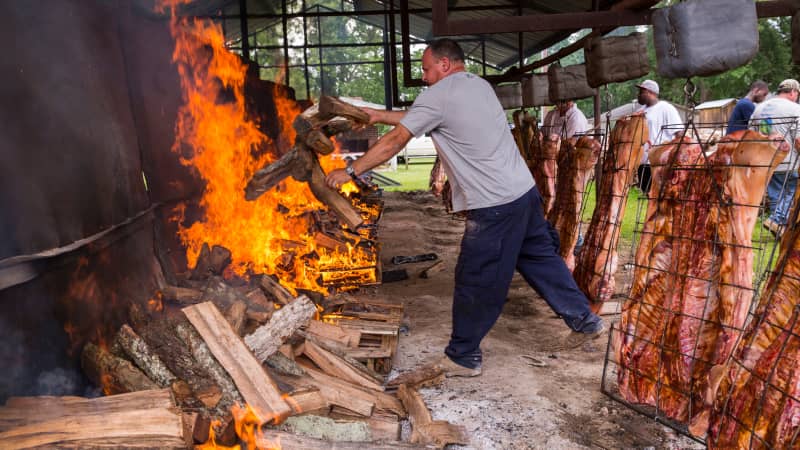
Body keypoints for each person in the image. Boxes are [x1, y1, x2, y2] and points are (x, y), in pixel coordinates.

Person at [326, 39, 604, 377]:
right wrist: (376, 115)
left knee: (476, 277)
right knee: (541, 260)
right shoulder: (478, 86)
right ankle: (584, 320)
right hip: (523, 193)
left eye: (427, 70)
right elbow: (420, 117)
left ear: (444, 64)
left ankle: (463, 355)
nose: (424, 77)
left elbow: (397, 139)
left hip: (495, 204)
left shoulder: (438, 96)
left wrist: (352, 170)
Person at [750, 79, 800, 237]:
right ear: (793, 92)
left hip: (766, 162)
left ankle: (779, 231)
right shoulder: (795, 109)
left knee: (776, 198)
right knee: (791, 193)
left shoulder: (759, 109)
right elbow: (798, 140)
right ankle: (776, 220)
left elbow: (751, 136)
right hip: (788, 162)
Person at [635, 80, 684, 193]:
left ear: (650, 92)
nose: (638, 95)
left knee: (661, 196)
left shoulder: (666, 108)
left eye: (641, 91)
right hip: (643, 163)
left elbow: (679, 134)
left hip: (660, 163)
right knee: (648, 195)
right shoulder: (639, 111)